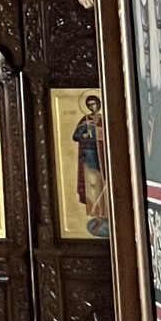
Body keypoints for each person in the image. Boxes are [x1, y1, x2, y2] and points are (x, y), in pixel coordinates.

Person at [73, 95, 109, 235]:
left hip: (102, 156)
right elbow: (75, 136)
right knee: (92, 185)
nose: (92, 107)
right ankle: (97, 215)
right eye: (89, 105)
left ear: (98, 105)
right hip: (89, 156)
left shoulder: (103, 120)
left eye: (94, 104)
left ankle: (106, 212)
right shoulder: (85, 120)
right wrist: (84, 135)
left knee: (103, 183)